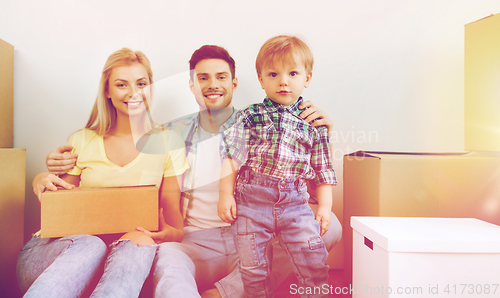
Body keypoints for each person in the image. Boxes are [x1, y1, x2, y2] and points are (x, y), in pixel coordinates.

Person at [46, 45, 342, 298]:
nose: (212, 84)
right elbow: (112, 157)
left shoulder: (264, 125)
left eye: (221, 77)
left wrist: (321, 133)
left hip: (252, 236)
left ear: (235, 83)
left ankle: (223, 292)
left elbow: (311, 188)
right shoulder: (170, 134)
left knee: (331, 228)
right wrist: (51, 167)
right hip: (195, 240)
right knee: (169, 267)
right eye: (203, 78)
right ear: (191, 84)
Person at [17, 48, 189, 298]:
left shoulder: (168, 143)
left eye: (141, 83)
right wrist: (42, 181)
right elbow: (61, 212)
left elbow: (173, 218)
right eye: (122, 85)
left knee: (139, 242)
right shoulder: (82, 140)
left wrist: (170, 233)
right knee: (91, 243)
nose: (133, 93)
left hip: (120, 260)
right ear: (107, 91)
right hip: (55, 258)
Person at [218, 35, 334, 297]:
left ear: (307, 77)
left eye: (292, 73)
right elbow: (231, 157)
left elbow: (323, 168)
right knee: (252, 268)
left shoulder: (313, 122)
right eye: (273, 74)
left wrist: (325, 206)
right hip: (252, 202)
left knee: (313, 260)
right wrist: (225, 194)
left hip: (295, 204)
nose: (283, 81)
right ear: (261, 79)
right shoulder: (250, 116)